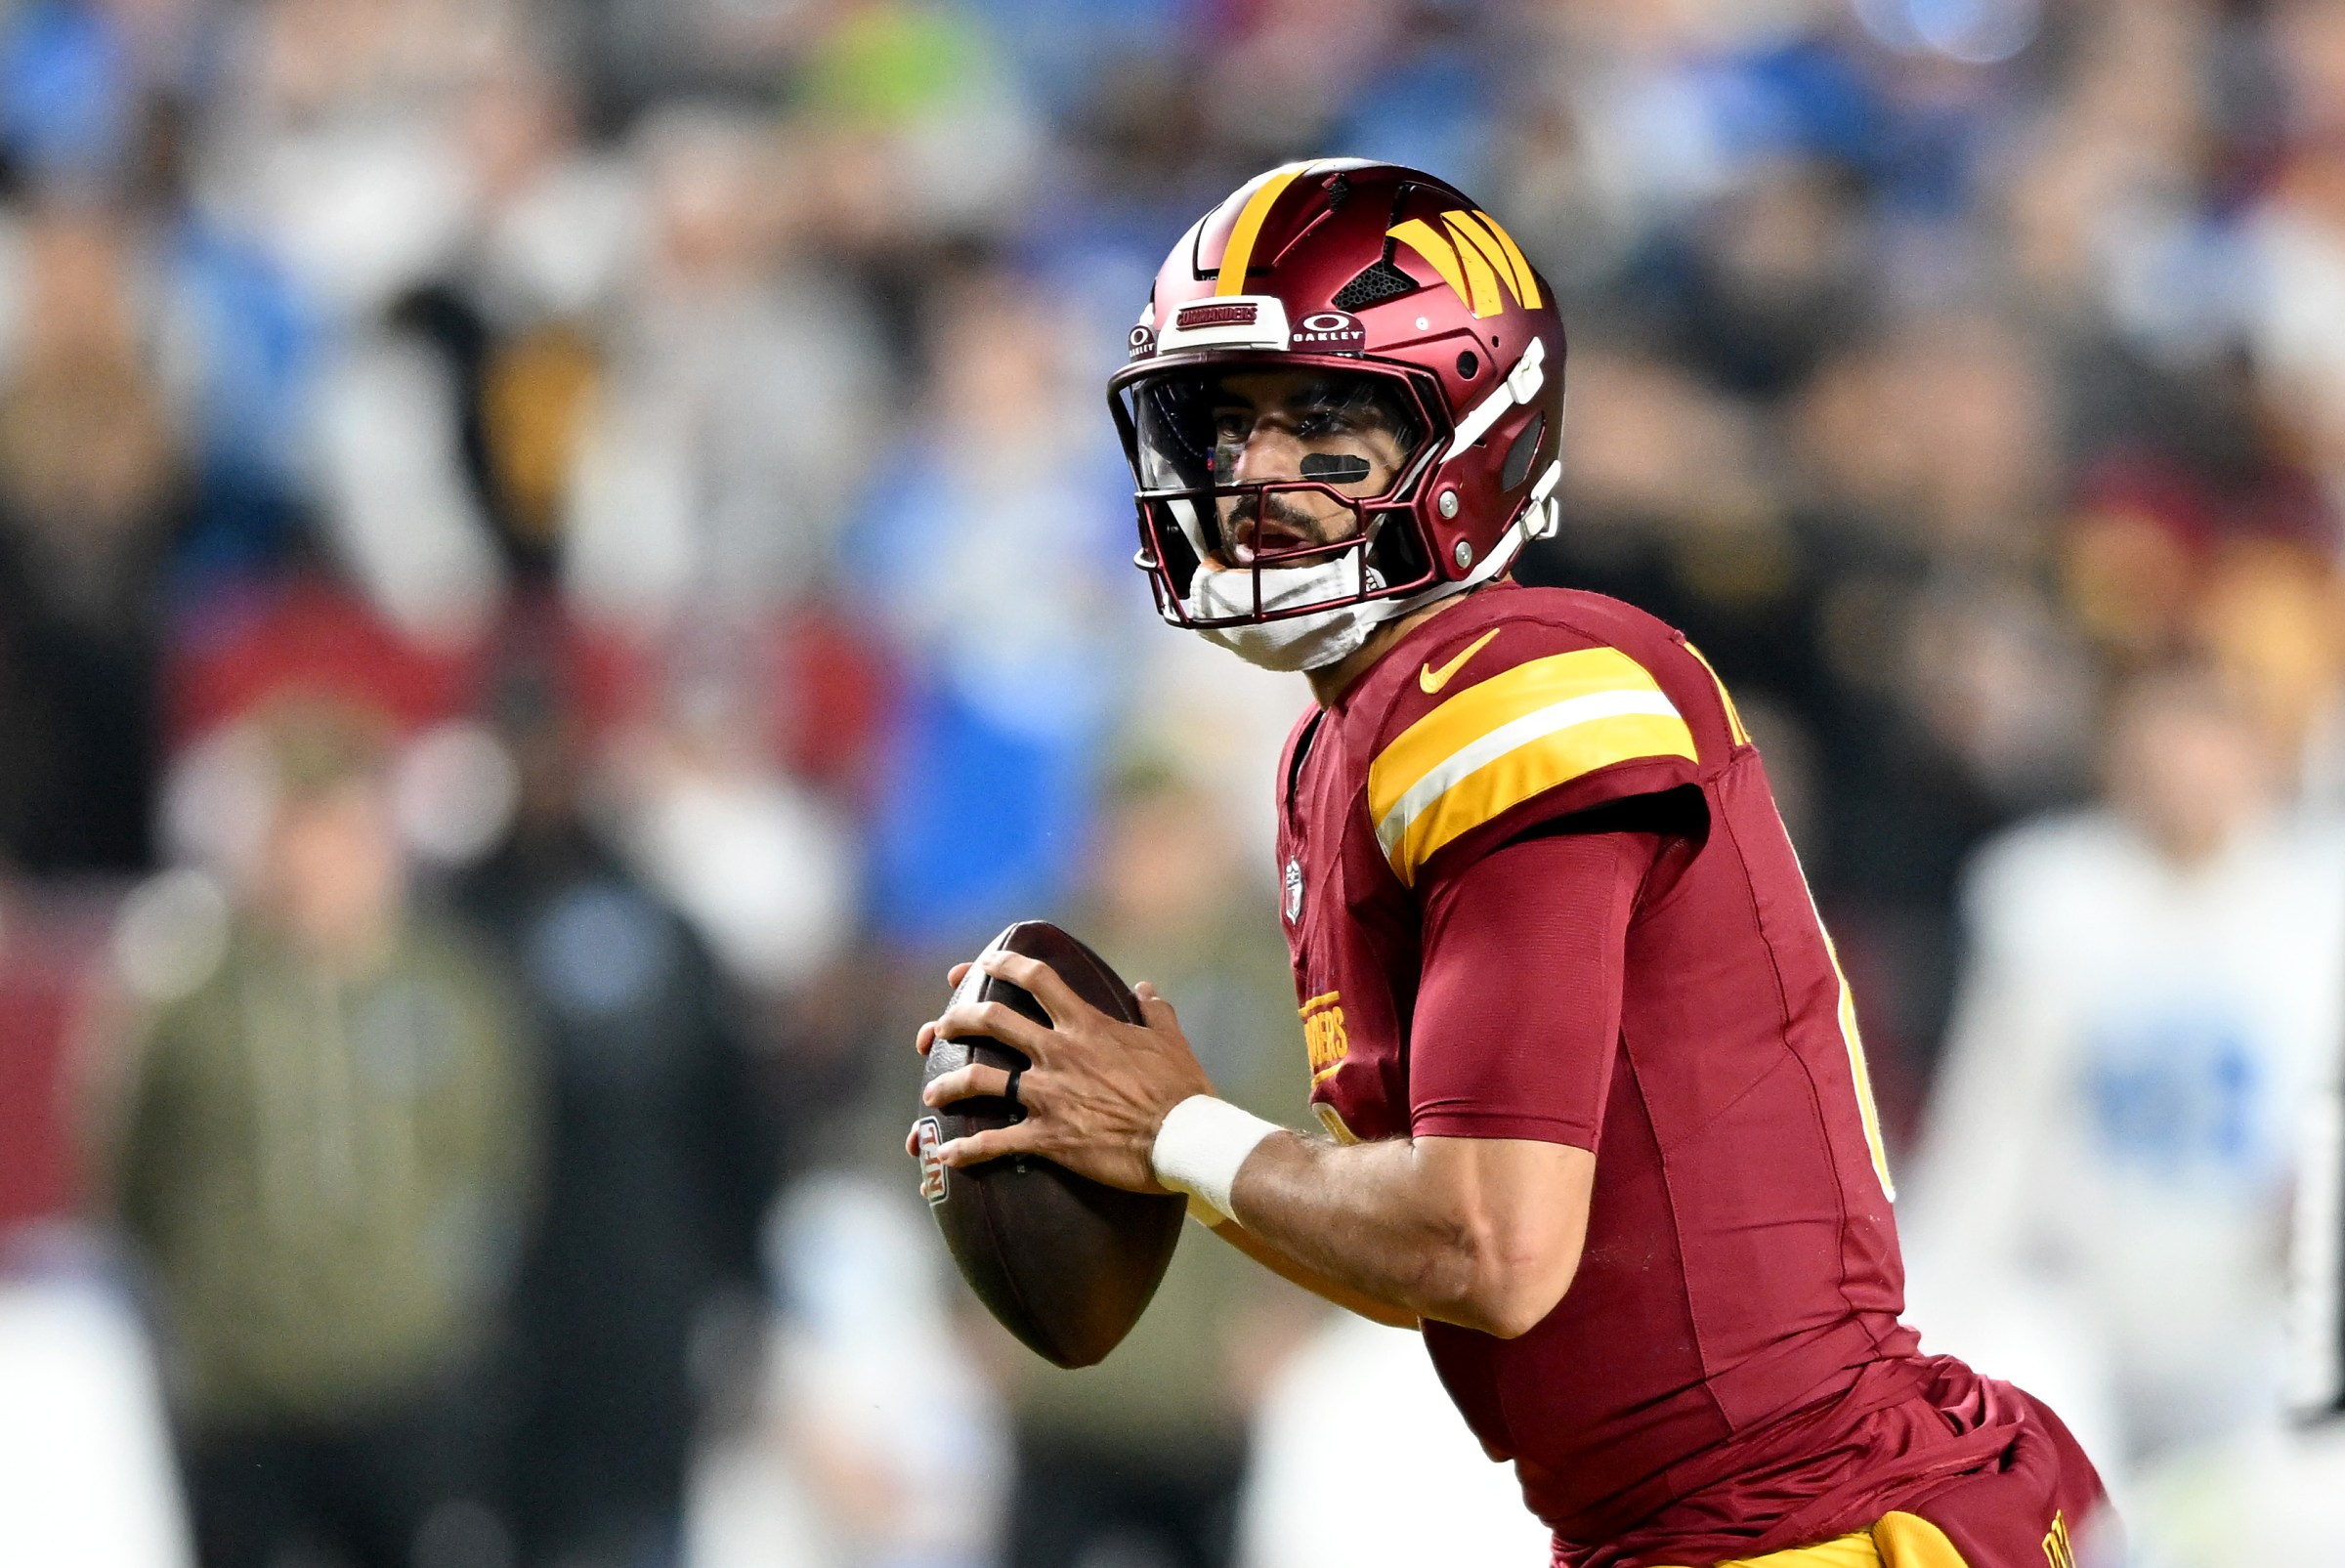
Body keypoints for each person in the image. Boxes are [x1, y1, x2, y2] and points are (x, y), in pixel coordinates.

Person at [910, 161, 2109, 1567]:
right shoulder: (1344, 738)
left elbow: (1495, 1243)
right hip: (1684, 1527)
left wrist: (1177, 1133)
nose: (1254, 483)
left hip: (1814, 1522)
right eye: (1223, 429)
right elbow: (1449, 1261)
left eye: (1324, 431)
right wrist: (1176, 1155)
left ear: (1475, 436)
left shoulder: (1512, 688)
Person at [109, 699, 539, 1568]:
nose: (321, 855)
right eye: (298, 826)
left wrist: (433, 1297)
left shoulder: (454, 989)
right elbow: (136, 1178)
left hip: (408, 1382)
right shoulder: (192, 998)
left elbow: (496, 1161)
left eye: (343, 825)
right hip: (247, 1397)